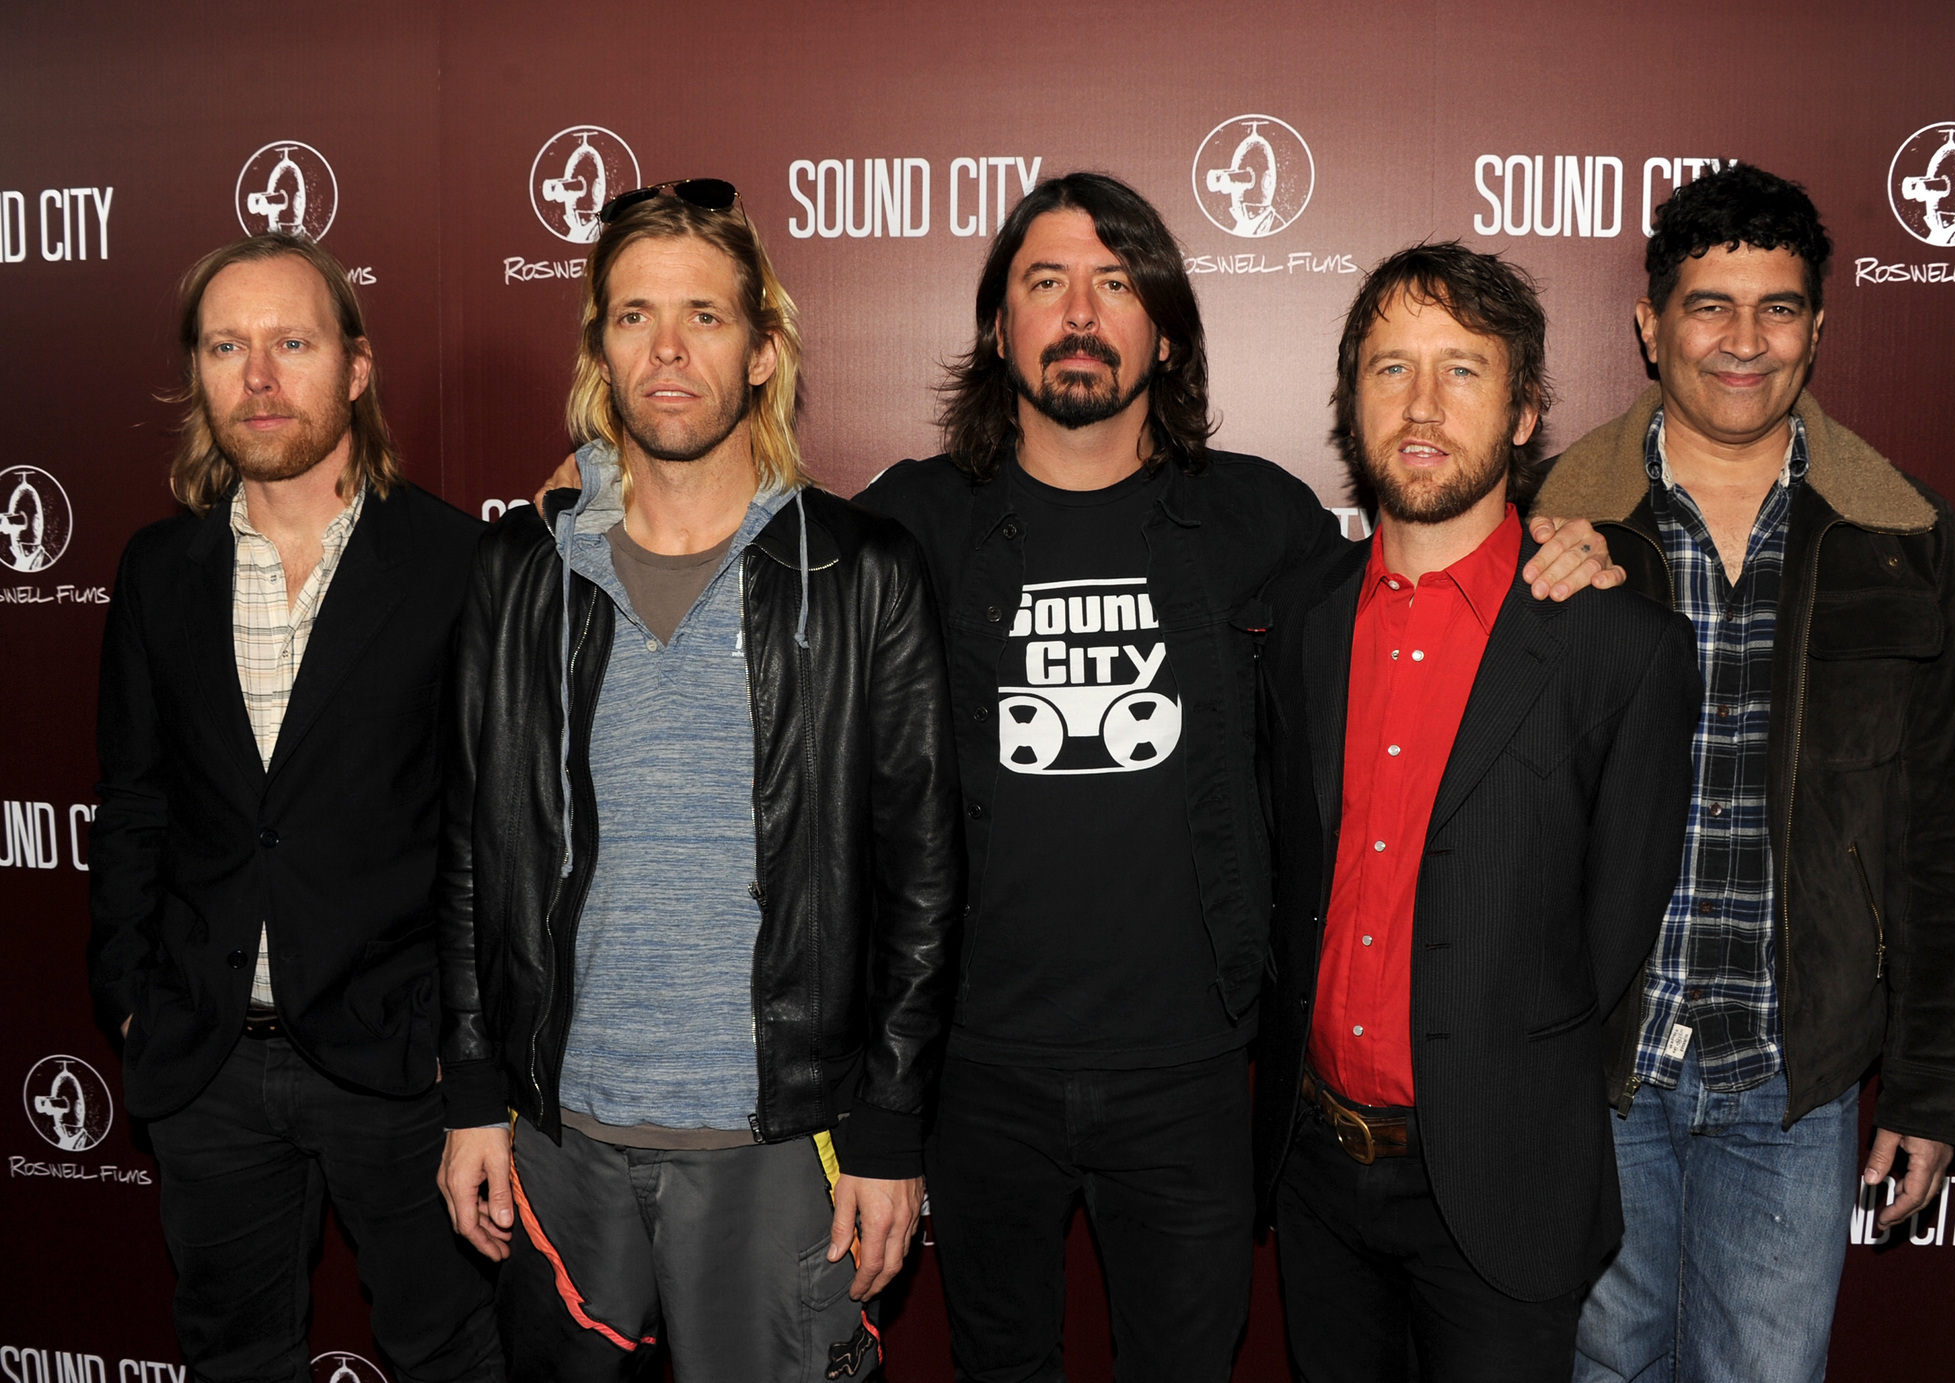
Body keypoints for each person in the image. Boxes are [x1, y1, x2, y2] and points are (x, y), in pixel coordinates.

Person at [855, 175, 1622, 1383]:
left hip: (1194, 1076)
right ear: (996, 328)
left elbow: (1431, 558)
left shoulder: (1261, 523)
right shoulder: (905, 524)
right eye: (1043, 283)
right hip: (978, 1069)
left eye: (1115, 284)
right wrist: (596, 509)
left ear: (1164, 329)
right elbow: (757, 569)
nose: (1078, 313)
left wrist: (1585, 530)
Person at [434, 180, 963, 1382]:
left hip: (780, 1138)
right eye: (632, 316)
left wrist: (887, 1125)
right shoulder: (520, 569)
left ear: (763, 348)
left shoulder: (862, 570)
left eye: (704, 316)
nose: (666, 349)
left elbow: (923, 877)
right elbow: (473, 846)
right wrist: (471, 1092)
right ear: (598, 349)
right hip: (556, 1135)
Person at [1534, 164, 1955, 1383]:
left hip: (1793, 1087)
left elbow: (1948, 835)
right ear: (1647, 324)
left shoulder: (1900, 537)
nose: (1742, 343)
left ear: (1817, 328)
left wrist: (1933, 1088)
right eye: (1707, 305)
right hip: (1596, 1073)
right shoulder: (1546, 528)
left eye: (1777, 308)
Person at [1253, 241, 1702, 1383]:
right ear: (1347, 401)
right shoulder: (1297, 626)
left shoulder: (1617, 645)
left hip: (1503, 1183)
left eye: (1461, 370)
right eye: (1387, 368)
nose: (1419, 404)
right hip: (1313, 1174)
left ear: (1522, 412)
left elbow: (1609, 944)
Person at [87, 232, 501, 1382]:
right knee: (231, 1355)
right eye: (227, 346)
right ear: (200, 376)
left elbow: (489, 827)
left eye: (291, 343)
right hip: (205, 1060)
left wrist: (464, 1054)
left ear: (355, 371)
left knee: (453, 1351)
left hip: (399, 1064)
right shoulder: (158, 570)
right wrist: (130, 998)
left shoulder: (456, 561)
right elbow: (133, 805)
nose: (257, 376)